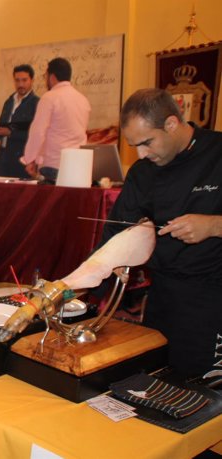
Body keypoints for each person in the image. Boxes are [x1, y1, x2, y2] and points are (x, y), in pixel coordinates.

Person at [101, 88, 222, 378]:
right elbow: (114, 235)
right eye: (134, 146)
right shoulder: (143, 172)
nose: (141, 154)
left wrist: (214, 225)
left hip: (213, 295)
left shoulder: (218, 152)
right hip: (163, 295)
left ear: (171, 124)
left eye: (146, 143)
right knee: (159, 377)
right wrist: (78, 285)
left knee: (205, 392)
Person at [21, 57, 91, 182]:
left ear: (52, 76)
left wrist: (30, 159)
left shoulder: (50, 97)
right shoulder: (83, 99)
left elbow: (38, 132)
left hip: (53, 165)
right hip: (78, 168)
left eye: (45, 76)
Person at [0, 64, 39, 178]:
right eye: (17, 80)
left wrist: (11, 133)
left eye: (24, 80)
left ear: (32, 80)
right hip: (2, 160)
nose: (20, 84)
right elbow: (2, 126)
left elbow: (35, 135)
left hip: (22, 162)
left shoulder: (36, 103)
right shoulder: (9, 101)